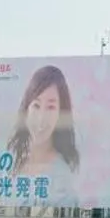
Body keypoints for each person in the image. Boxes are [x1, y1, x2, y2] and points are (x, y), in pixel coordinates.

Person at [7, 64, 81, 207]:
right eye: (36, 105)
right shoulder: (9, 161)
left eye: (51, 107)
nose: (41, 118)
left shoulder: (62, 180)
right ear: (26, 108)